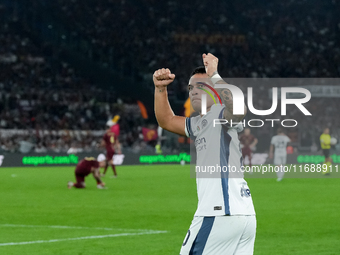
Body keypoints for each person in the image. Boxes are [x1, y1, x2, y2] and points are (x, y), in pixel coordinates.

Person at [153, 53, 256, 254]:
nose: (193, 92)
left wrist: (215, 75)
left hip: (219, 213)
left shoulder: (221, 114)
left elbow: (239, 109)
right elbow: (166, 120)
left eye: (201, 87)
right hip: (243, 215)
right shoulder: (200, 122)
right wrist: (160, 89)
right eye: (191, 88)